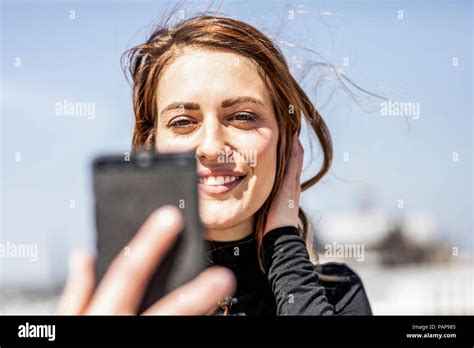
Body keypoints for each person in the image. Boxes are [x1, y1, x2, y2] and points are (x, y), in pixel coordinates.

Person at [57, 15, 372, 316]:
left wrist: (285, 246)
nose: (210, 147)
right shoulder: (115, 302)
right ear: (152, 146)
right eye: (182, 122)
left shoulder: (338, 294)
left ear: (286, 140)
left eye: (243, 117)